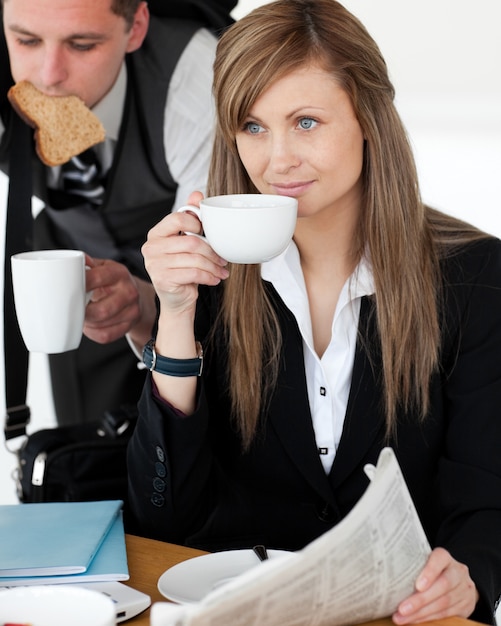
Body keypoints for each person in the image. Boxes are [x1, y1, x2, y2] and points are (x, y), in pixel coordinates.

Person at [127, 0, 501, 623]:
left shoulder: (476, 277)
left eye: (305, 122)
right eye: (252, 126)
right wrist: (173, 315)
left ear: (369, 120)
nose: (277, 160)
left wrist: (468, 575)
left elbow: (486, 497)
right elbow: (164, 520)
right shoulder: (211, 279)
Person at [0, 0, 236, 424]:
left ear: (136, 26)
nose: (49, 76)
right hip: (72, 261)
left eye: (83, 44)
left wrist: (148, 305)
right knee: (89, 450)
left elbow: (206, 257)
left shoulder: (197, 80)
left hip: (199, 275)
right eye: (27, 40)